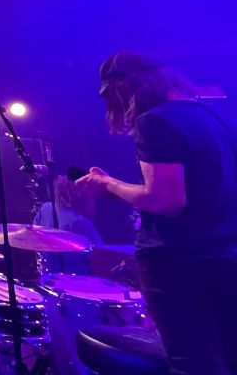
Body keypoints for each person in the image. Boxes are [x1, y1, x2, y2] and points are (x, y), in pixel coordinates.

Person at [77, 52, 237, 375]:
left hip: (180, 265)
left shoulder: (154, 122)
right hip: (228, 257)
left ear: (123, 88)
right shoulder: (214, 116)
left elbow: (165, 200)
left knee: (193, 365)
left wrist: (107, 184)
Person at [32, 173, 102, 274]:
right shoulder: (80, 223)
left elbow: (33, 236)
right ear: (82, 195)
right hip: (77, 282)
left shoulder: (46, 208)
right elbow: (101, 258)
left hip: (47, 276)